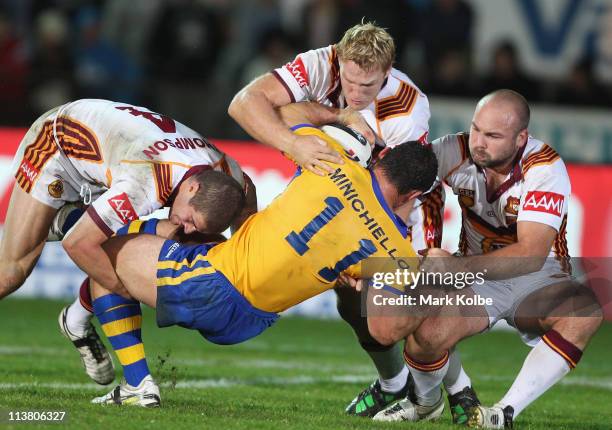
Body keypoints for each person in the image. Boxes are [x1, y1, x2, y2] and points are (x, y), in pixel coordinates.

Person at [85, 105, 439, 407]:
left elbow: (284, 112)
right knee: (165, 233)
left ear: (384, 157)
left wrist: (339, 115)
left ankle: (136, 383)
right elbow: (390, 321)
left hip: (212, 284)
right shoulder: (398, 252)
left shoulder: (332, 160)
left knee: (100, 252)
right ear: (412, 194)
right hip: (250, 322)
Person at [228, 21, 476, 421]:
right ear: (338, 60)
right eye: (351, 81)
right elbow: (244, 104)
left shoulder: (408, 109)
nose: (358, 94)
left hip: (397, 207)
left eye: (370, 86)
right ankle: (393, 384)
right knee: (350, 303)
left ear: (389, 70)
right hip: (331, 189)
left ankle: (455, 391)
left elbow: (401, 185)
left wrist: (400, 250)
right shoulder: (318, 64)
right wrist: (325, 123)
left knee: (393, 310)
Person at [368, 90, 602, 427]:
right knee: (424, 337)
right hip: (479, 274)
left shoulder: (545, 168)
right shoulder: (454, 150)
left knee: (583, 313)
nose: (478, 142)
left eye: (492, 135)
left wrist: (454, 266)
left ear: (521, 138)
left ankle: (502, 413)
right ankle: (426, 403)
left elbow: (530, 255)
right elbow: (402, 188)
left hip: (536, 280)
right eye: (476, 129)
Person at [0, 99, 255, 387]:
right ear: (192, 187)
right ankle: (65, 227)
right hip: (58, 145)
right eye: (192, 218)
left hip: (109, 152)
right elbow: (78, 246)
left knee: (187, 242)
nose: (187, 225)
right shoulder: (146, 182)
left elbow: (247, 190)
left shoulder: (229, 175)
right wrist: (126, 288)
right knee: (12, 272)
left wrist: (246, 258)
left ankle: (76, 312)